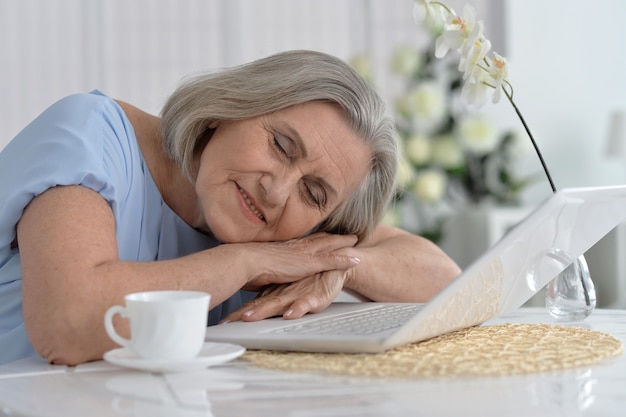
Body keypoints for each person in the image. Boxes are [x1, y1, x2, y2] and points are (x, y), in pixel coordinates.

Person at [0, 50, 460, 366]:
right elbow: (68, 324)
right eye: (281, 146)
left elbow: (445, 280)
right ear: (230, 108)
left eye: (314, 193)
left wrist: (340, 266)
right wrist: (243, 261)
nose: (278, 192)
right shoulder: (92, 134)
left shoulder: (290, 237)